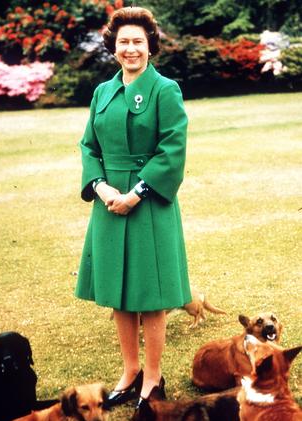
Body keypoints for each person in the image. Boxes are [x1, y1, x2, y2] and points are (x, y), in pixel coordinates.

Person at [75, 6, 192, 414]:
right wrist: (103, 187)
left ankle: (153, 379)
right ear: (113, 45)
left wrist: (136, 193)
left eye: (137, 42)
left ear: (150, 45)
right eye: (123, 41)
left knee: (150, 296)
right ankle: (130, 373)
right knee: (119, 295)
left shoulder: (165, 90)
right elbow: (89, 146)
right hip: (109, 205)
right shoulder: (101, 92)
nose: (130, 49)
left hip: (149, 205)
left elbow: (172, 149)